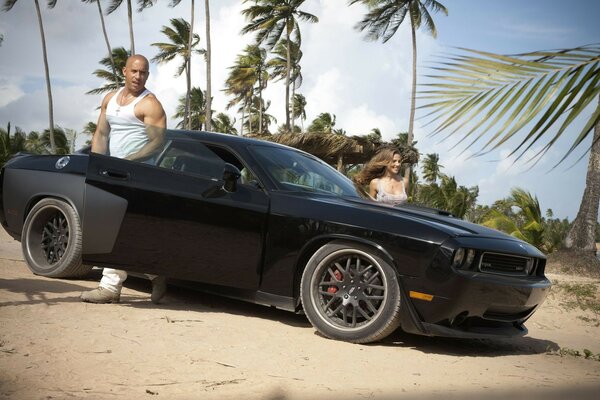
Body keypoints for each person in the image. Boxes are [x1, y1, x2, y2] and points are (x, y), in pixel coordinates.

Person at [81, 54, 168, 305]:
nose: (138, 77)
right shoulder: (110, 99)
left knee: (117, 230)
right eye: (134, 71)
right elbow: (101, 133)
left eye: (143, 73)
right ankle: (155, 271)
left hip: (137, 175)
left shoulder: (150, 104)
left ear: (147, 76)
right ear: (124, 71)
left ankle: (109, 288)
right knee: (117, 229)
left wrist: (129, 162)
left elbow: (158, 142)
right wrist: (97, 166)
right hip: (111, 173)